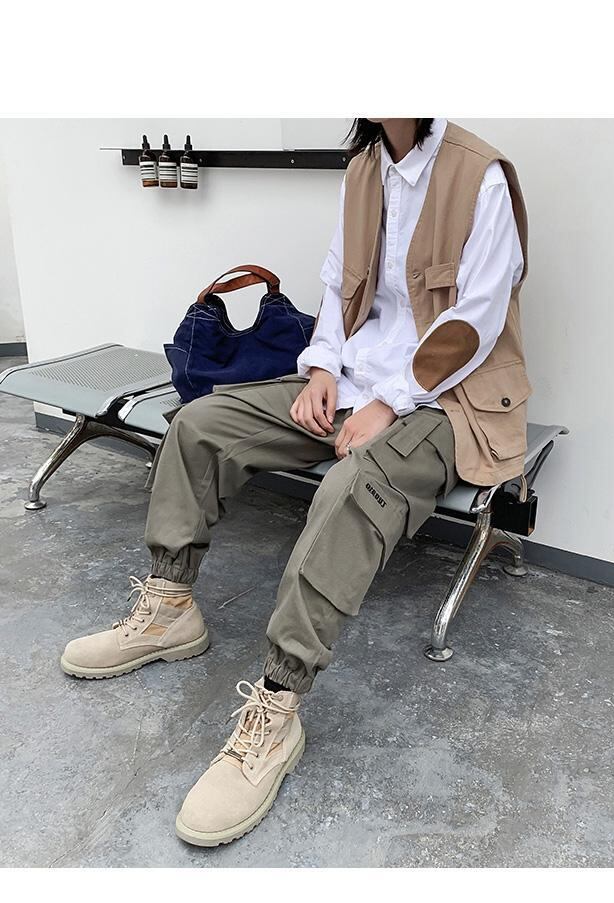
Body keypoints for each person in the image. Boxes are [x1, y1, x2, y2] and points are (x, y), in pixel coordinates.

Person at [60, 118, 531, 847]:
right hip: (356, 382)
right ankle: (170, 608)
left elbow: (476, 321)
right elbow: (338, 289)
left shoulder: (482, 176)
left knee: (351, 488)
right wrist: (321, 370)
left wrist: (389, 401)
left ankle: (277, 707)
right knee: (201, 423)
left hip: (447, 401)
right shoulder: (364, 169)